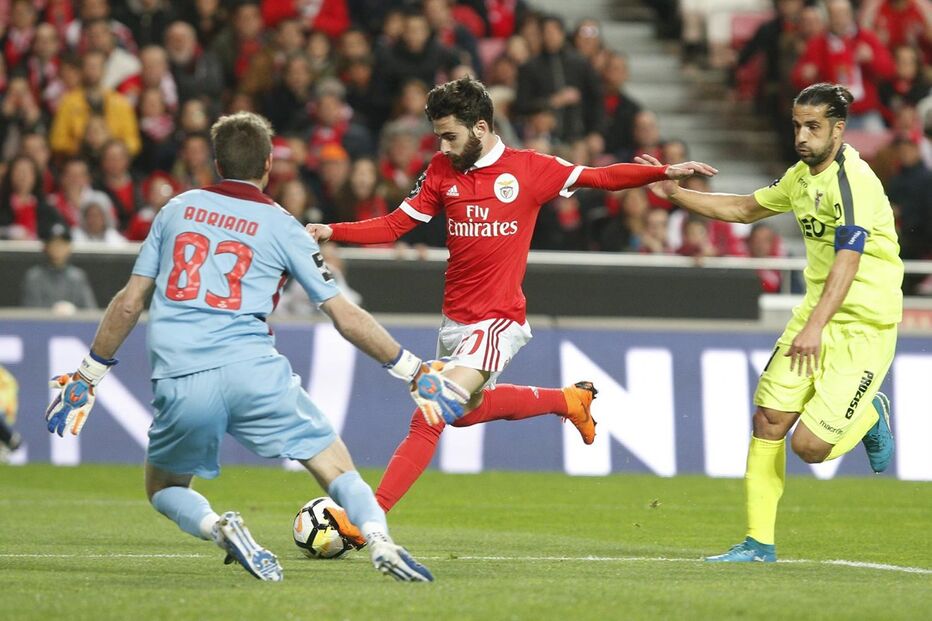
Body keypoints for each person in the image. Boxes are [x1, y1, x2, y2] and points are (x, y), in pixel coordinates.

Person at [43, 111, 465, 583]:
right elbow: (344, 314)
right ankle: (380, 541)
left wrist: (87, 376)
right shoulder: (283, 225)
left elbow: (128, 304)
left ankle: (219, 527)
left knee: (162, 488)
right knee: (334, 464)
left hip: (180, 375)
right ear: (269, 164)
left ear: (217, 161)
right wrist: (412, 369)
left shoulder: (175, 210)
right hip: (254, 371)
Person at [307, 76, 716, 529]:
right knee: (463, 414)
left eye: (450, 136)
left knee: (432, 410)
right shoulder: (442, 172)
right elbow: (394, 225)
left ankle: (366, 520)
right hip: (456, 321)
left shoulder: (529, 169)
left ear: (480, 128)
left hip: (498, 319)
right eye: (438, 137)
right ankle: (568, 401)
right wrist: (333, 231)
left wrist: (661, 172)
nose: (441, 147)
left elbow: (599, 177)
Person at [636, 83, 901, 562]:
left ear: (839, 130)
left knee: (810, 447)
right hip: (818, 312)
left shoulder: (853, 183)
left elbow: (848, 262)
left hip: (863, 323)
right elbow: (742, 209)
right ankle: (758, 543)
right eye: (797, 124)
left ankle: (870, 416)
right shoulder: (801, 177)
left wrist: (816, 326)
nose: (802, 135)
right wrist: (673, 193)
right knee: (770, 421)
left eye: (813, 127)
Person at [21, 223, 97, 312]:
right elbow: (29, 313)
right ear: (46, 247)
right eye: (53, 243)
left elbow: (90, 311)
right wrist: (54, 312)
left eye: (62, 244)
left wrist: (72, 311)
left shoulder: (78, 277)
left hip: (73, 325)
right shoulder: (34, 277)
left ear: (69, 247)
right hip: (42, 325)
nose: (58, 248)